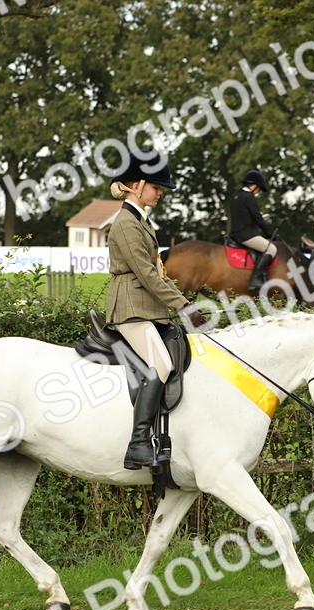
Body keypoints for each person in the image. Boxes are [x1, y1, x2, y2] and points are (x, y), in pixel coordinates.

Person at [106, 151, 207, 470]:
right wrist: (184, 306)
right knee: (161, 364)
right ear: (136, 186)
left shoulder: (139, 219)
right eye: (156, 186)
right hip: (130, 309)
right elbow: (147, 275)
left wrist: (183, 305)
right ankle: (137, 444)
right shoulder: (125, 223)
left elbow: (158, 272)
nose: (160, 191)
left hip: (148, 308)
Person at [230, 169, 278, 291]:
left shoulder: (236, 195)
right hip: (246, 235)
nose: (259, 192)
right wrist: (270, 233)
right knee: (271, 249)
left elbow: (241, 215)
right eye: (259, 189)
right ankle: (255, 279)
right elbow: (258, 219)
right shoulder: (249, 197)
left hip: (235, 233)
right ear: (255, 186)